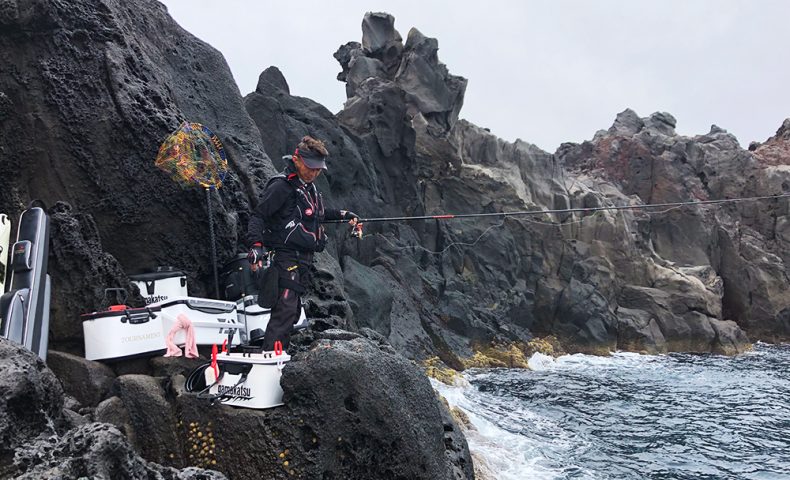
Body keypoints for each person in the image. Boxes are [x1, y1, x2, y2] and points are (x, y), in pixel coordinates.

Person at [246, 136, 358, 351]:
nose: (315, 173)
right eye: (311, 167)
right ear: (296, 160)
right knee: (285, 310)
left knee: (293, 312)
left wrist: (345, 215)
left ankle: (281, 354)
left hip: (304, 259)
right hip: (285, 257)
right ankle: (271, 358)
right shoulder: (281, 186)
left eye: (318, 169)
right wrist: (256, 246)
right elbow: (258, 215)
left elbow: (319, 215)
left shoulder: (310, 188)